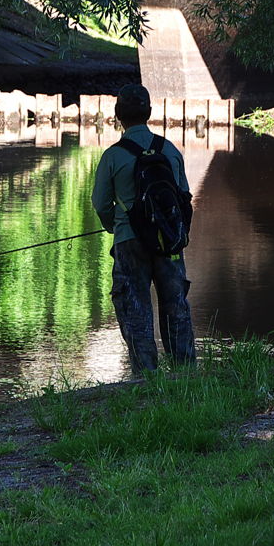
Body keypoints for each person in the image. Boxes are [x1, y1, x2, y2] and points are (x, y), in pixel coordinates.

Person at [91, 82, 196, 371]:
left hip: (130, 241)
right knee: (176, 305)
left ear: (117, 114)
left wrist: (116, 227)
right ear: (149, 112)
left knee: (135, 307)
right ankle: (185, 373)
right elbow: (185, 197)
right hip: (169, 240)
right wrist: (177, 232)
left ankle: (145, 375)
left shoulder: (113, 155)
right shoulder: (169, 150)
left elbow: (100, 203)